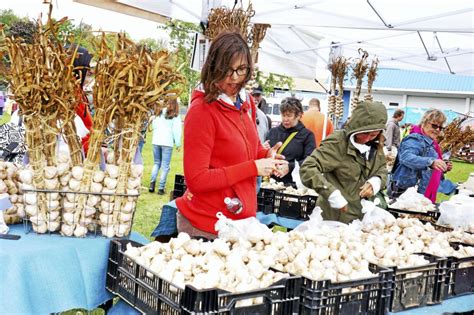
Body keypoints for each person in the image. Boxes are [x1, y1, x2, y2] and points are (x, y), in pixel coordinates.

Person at [151, 31, 287, 240]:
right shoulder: (201, 111)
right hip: (206, 225)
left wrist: (266, 154)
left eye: (241, 69)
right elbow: (196, 179)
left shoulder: (247, 102)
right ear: (214, 69)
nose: (234, 77)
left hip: (239, 219)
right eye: (227, 70)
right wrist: (253, 167)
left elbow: (247, 149)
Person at [300, 101, 388, 223]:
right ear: (356, 127)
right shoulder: (337, 143)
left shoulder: (376, 146)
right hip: (335, 219)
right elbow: (308, 168)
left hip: (364, 219)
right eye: (364, 134)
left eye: (373, 134)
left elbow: (382, 168)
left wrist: (376, 181)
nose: (367, 138)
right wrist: (330, 193)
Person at [388, 109, 456, 201]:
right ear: (424, 123)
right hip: (405, 192)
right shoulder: (414, 139)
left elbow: (428, 168)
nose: (437, 130)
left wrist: (442, 165)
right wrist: (431, 162)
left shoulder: (432, 144)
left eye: (440, 128)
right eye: (434, 126)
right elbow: (406, 157)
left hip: (419, 192)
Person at [266, 97, 316, 185]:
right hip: (270, 183)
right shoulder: (273, 132)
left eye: (289, 115)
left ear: (299, 115)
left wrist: (290, 166)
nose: (285, 119)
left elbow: (310, 160)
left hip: (293, 184)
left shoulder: (307, 135)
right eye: (283, 115)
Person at [149, 99, 182, 195]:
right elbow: (177, 131)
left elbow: (154, 125)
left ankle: (152, 185)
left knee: (156, 163)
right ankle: (161, 188)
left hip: (156, 141)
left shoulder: (159, 113)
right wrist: (178, 144)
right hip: (167, 143)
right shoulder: (175, 116)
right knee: (165, 167)